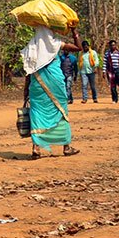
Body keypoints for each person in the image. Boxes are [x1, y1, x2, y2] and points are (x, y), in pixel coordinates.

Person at [21, 25, 82, 158]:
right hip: (56, 84)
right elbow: (78, 48)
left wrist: (26, 90)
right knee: (61, 111)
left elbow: (28, 70)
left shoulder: (31, 47)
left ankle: (36, 148)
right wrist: (73, 30)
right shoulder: (56, 44)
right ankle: (66, 147)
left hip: (36, 85)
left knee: (37, 113)